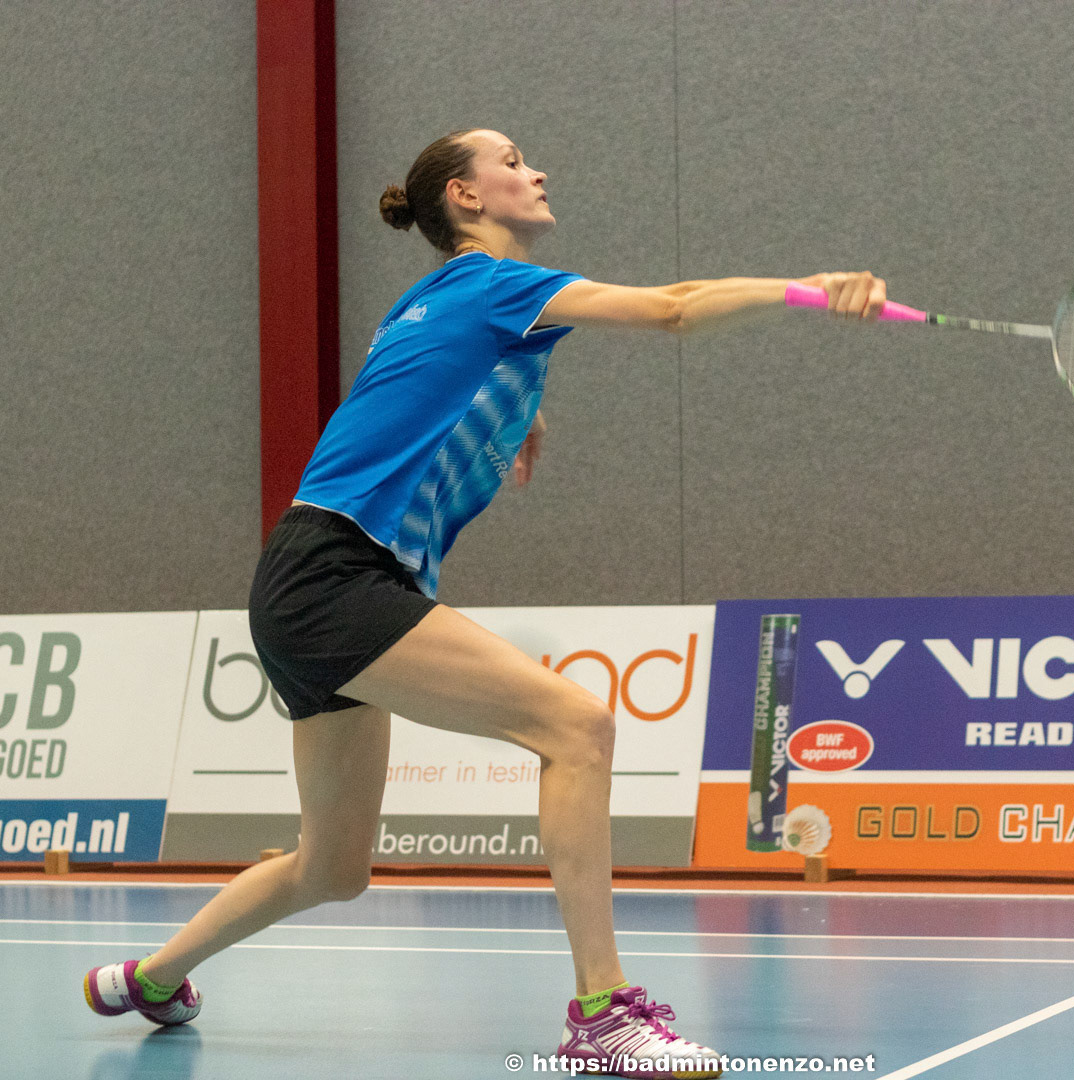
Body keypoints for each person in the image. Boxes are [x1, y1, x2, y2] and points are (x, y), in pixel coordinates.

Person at [81, 128, 885, 1079]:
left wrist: (517, 409)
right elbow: (672, 310)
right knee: (577, 727)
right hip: (339, 576)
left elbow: (418, 386)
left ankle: (150, 977)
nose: (535, 171)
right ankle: (603, 1013)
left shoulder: (430, 299)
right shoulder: (496, 286)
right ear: (464, 197)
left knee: (332, 868)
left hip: (304, 580)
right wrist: (805, 289)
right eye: (511, 161)